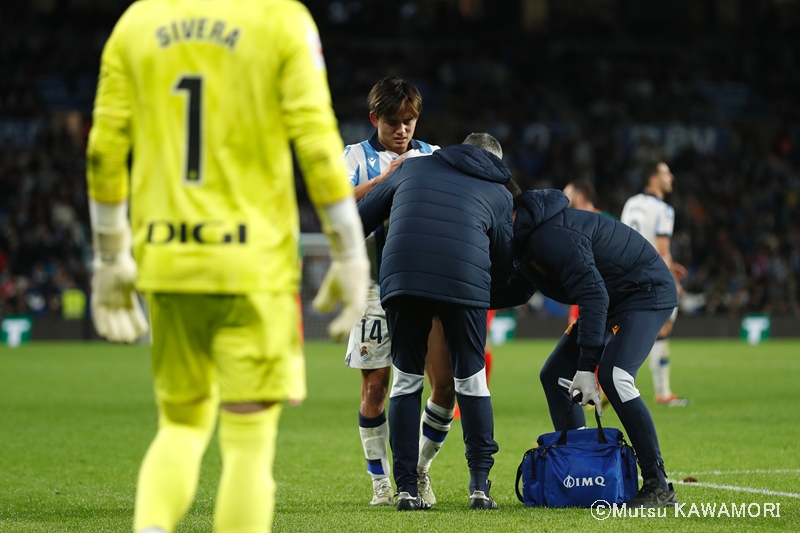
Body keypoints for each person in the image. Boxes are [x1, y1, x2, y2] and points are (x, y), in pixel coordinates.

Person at [86, 2, 369, 532]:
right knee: (248, 442)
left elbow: (104, 149)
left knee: (180, 425)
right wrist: (349, 251)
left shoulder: (136, 24)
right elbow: (316, 145)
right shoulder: (281, 21)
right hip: (253, 265)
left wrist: (109, 254)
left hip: (167, 260)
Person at [492, 188, 680, 509]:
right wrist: (466, 297)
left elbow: (593, 295)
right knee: (555, 375)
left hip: (644, 291)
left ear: (506, 212)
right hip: (613, 298)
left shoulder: (550, 234)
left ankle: (658, 485)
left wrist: (586, 366)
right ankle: (582, 466)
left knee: (615, 376)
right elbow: (519, 290)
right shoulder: (526, 236)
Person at [358, 133, 514, 511]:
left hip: (402, 277)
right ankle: (479, 488)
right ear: (495, 163)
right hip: (464, 280)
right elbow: (504, 261)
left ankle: (407, 490)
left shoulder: (412, 167)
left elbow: (360, 219)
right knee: (471, 382)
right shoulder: (499, 192)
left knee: (406, 380)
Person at [343, 77, 454, 506]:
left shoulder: (433, 156)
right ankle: (380, 482)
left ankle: (419, 470)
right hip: (373, 287)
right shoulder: (355, 157)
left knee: (444, 385)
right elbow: (336, 207)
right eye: (393, 122)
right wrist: (384, 180)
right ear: (375, 118)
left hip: (426, 286)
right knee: (376, 388)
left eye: (409, 121)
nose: (402, 130)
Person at [620, 162, 691, 407]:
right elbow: (662, 251)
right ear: (653, 180)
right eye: (665, 173)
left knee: (624, 329)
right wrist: (672, 280)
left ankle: (606, 383)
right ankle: (662, 392)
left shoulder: (630, 203)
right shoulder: (664, 210)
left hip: (626, 274)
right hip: (652, 277)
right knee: (663, 330)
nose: (671, 177)